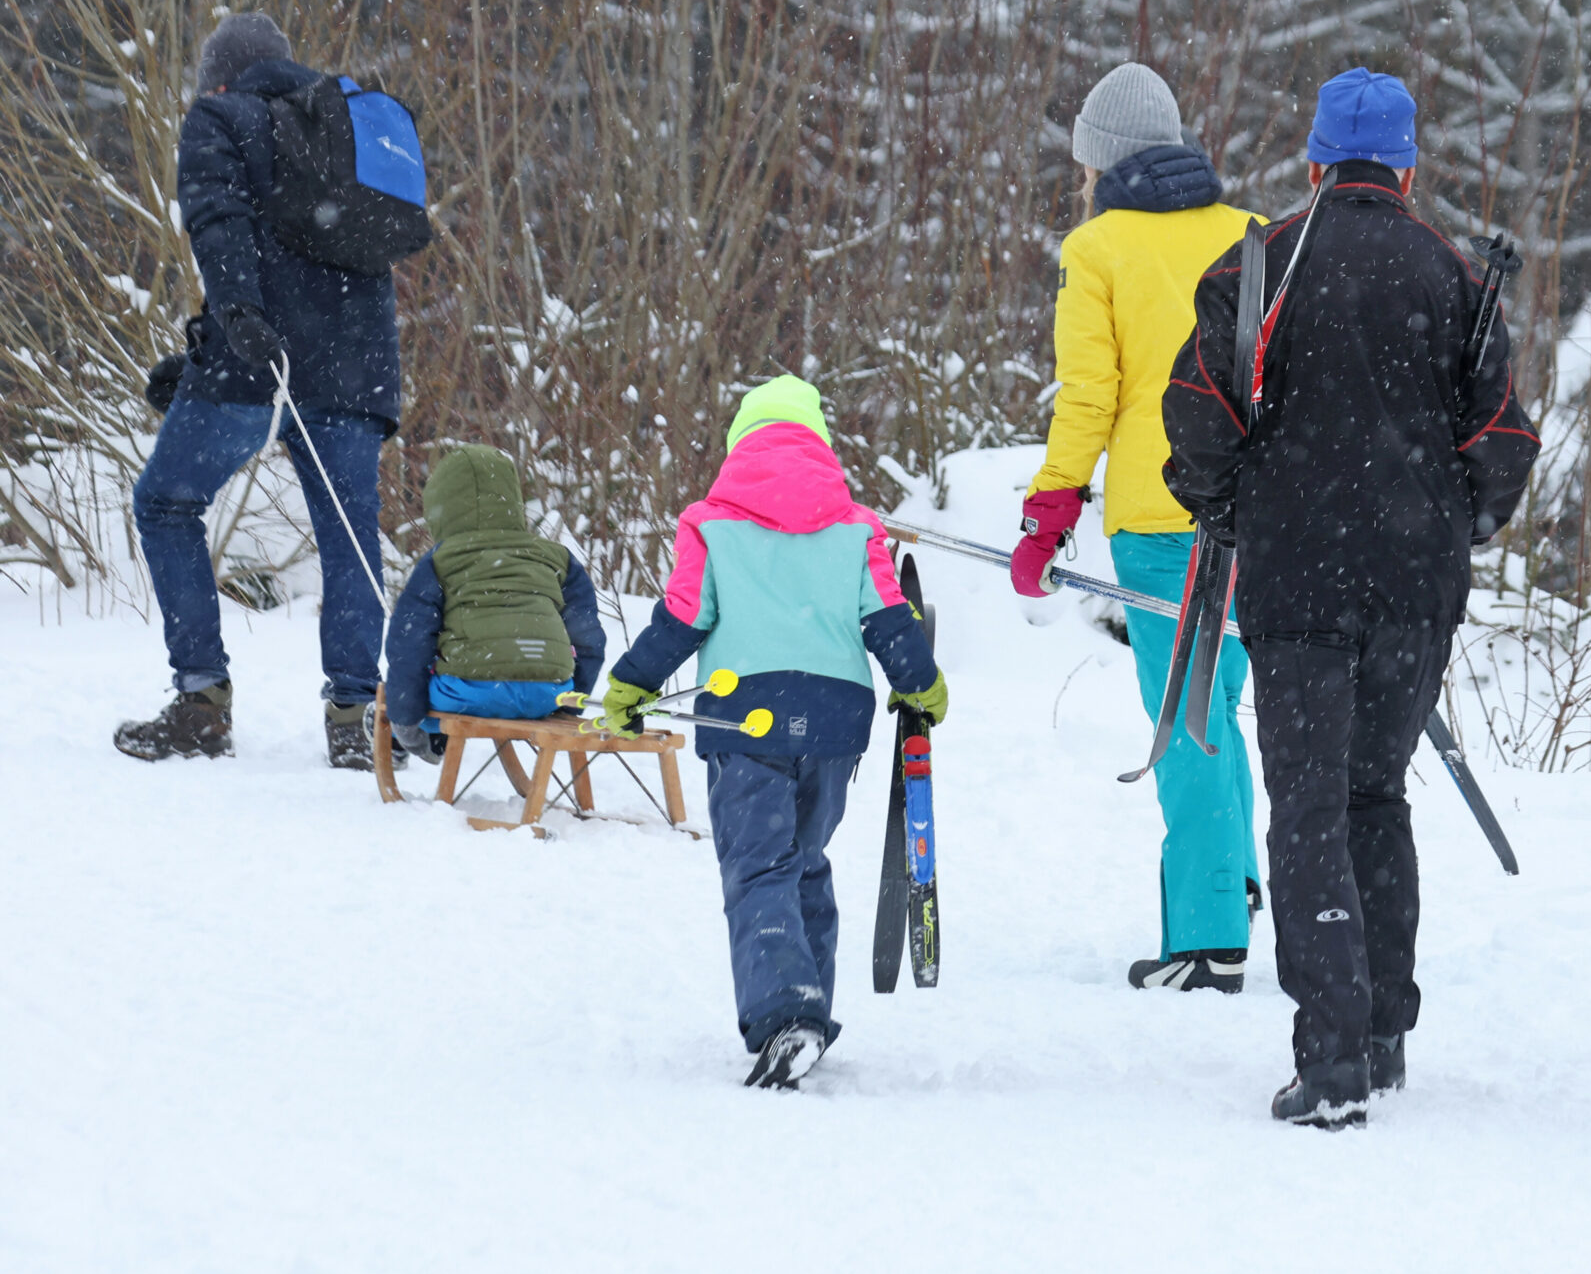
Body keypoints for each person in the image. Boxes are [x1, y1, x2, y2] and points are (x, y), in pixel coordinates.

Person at [1162, 67, 1540, 1129]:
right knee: (1376, 796)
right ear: (1409, 167)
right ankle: (1382, 1034)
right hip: (1414, 590)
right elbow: (1506, 438)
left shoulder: (1259, 265)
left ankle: (1329, 1052)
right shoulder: (1456, 275)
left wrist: (1236, 505)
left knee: (1308, 808)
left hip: (1296, 581)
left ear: (1316, 160)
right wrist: (1453, 524)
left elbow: (1195, 413)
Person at [594, 376, 947, 1090]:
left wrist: (633, 683)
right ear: (819, 443)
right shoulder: (856, 525)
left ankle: (789, 1013)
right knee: (802, 858)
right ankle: (807, 1005)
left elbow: (684, 619)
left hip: (743, 713)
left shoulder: (710, 522)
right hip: (835, 721)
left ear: (739, 445)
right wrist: (920, 681)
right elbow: (887, 618)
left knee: (759, 866)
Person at [1012, 63, 1266, 994]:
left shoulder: (1099, 251)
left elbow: (1090, 396)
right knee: (1218, 707)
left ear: (1104, 162)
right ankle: (1231, 880)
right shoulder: (1251, 235)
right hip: (1255, 514)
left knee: (1186, 719)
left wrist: (1050, 508)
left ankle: (1207, 939)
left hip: (1162, 519)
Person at [116, 14, 401, 768]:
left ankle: (202, 702)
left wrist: (237, 317)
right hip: (355, 371)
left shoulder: (219, 116)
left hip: (257, 363)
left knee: (166, 504)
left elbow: (221, 222)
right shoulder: (341, 130)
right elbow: (333, 261)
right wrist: (206, 349)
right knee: (349, 536)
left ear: (220, 75)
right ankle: (356, 719)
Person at [379, 445, 608, 761]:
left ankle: (423, 738)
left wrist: (404, 717)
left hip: (468, 695)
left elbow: (409, 642)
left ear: (441, 507)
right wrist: (573, 697)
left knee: (425, 676)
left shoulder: (440, 561)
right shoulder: (557, 558)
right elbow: (588, 637)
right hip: (549, 694)